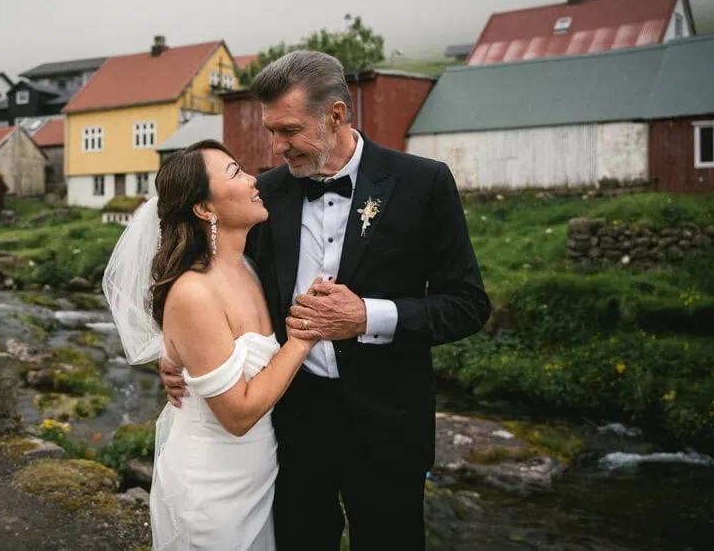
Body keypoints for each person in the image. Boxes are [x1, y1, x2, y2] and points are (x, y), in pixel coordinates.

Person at [159, 51, 491, 550]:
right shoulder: (263, 196)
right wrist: (178, 354)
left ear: (336, 115)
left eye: (288, 130)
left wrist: (367, 317)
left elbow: (468, 304)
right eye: (271, 131)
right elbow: (203, 280)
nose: (275, 147)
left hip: (388, 422)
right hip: (289, 424)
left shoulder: (423, 183)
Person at [104, 140, 323, 550]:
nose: (253, 178)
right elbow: (237, 415)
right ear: (204, 209)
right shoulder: (194, 293)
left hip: (258, 475)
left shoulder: (251, 268)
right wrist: (304, 336)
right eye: (235, 173)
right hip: (211, 487)